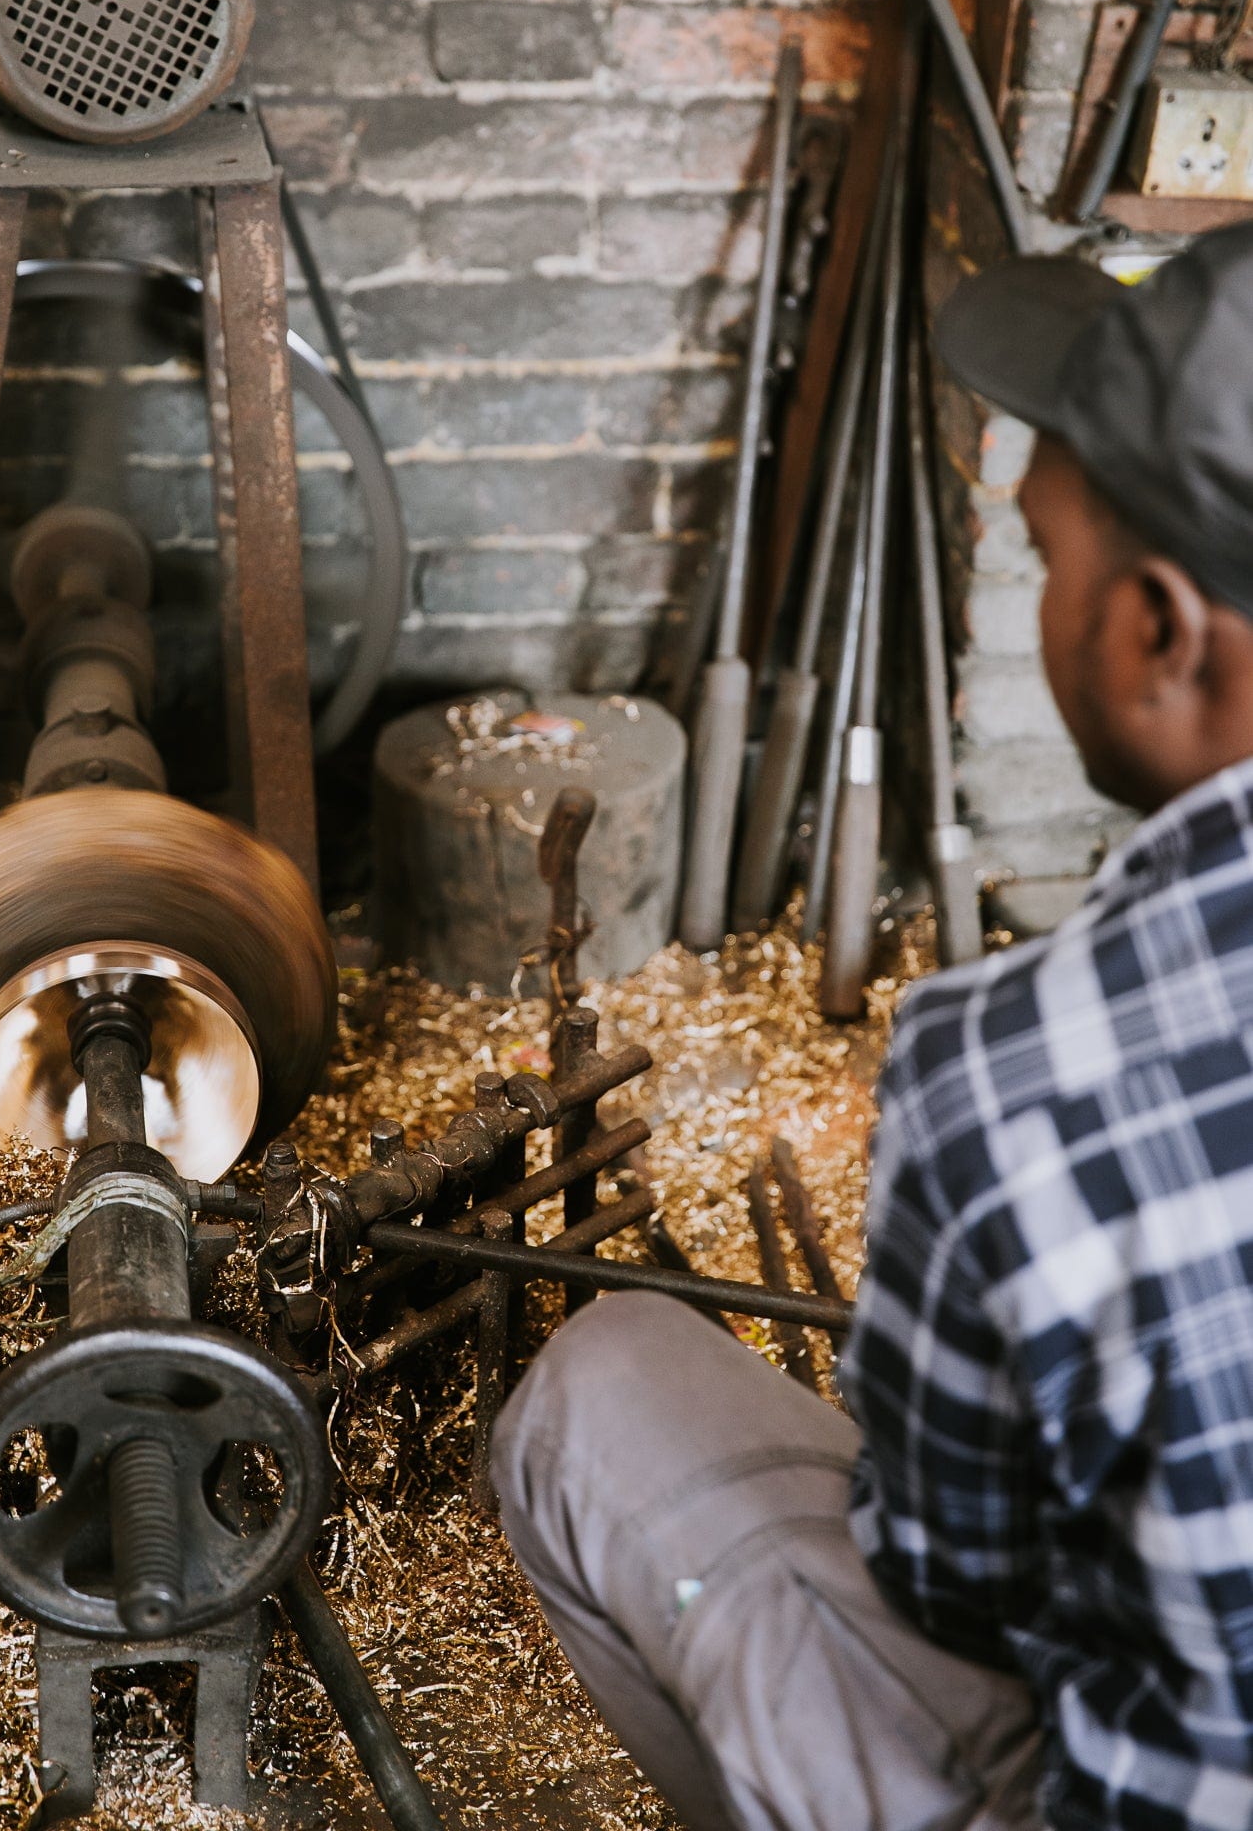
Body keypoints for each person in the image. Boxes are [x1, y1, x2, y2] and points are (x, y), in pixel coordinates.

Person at [491, 224, 1253, 1831]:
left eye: (1046, 560)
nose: (1044, 599)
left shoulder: (1027, 1063)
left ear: (1162, 631)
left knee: (603, 1376)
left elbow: (950, 1580)